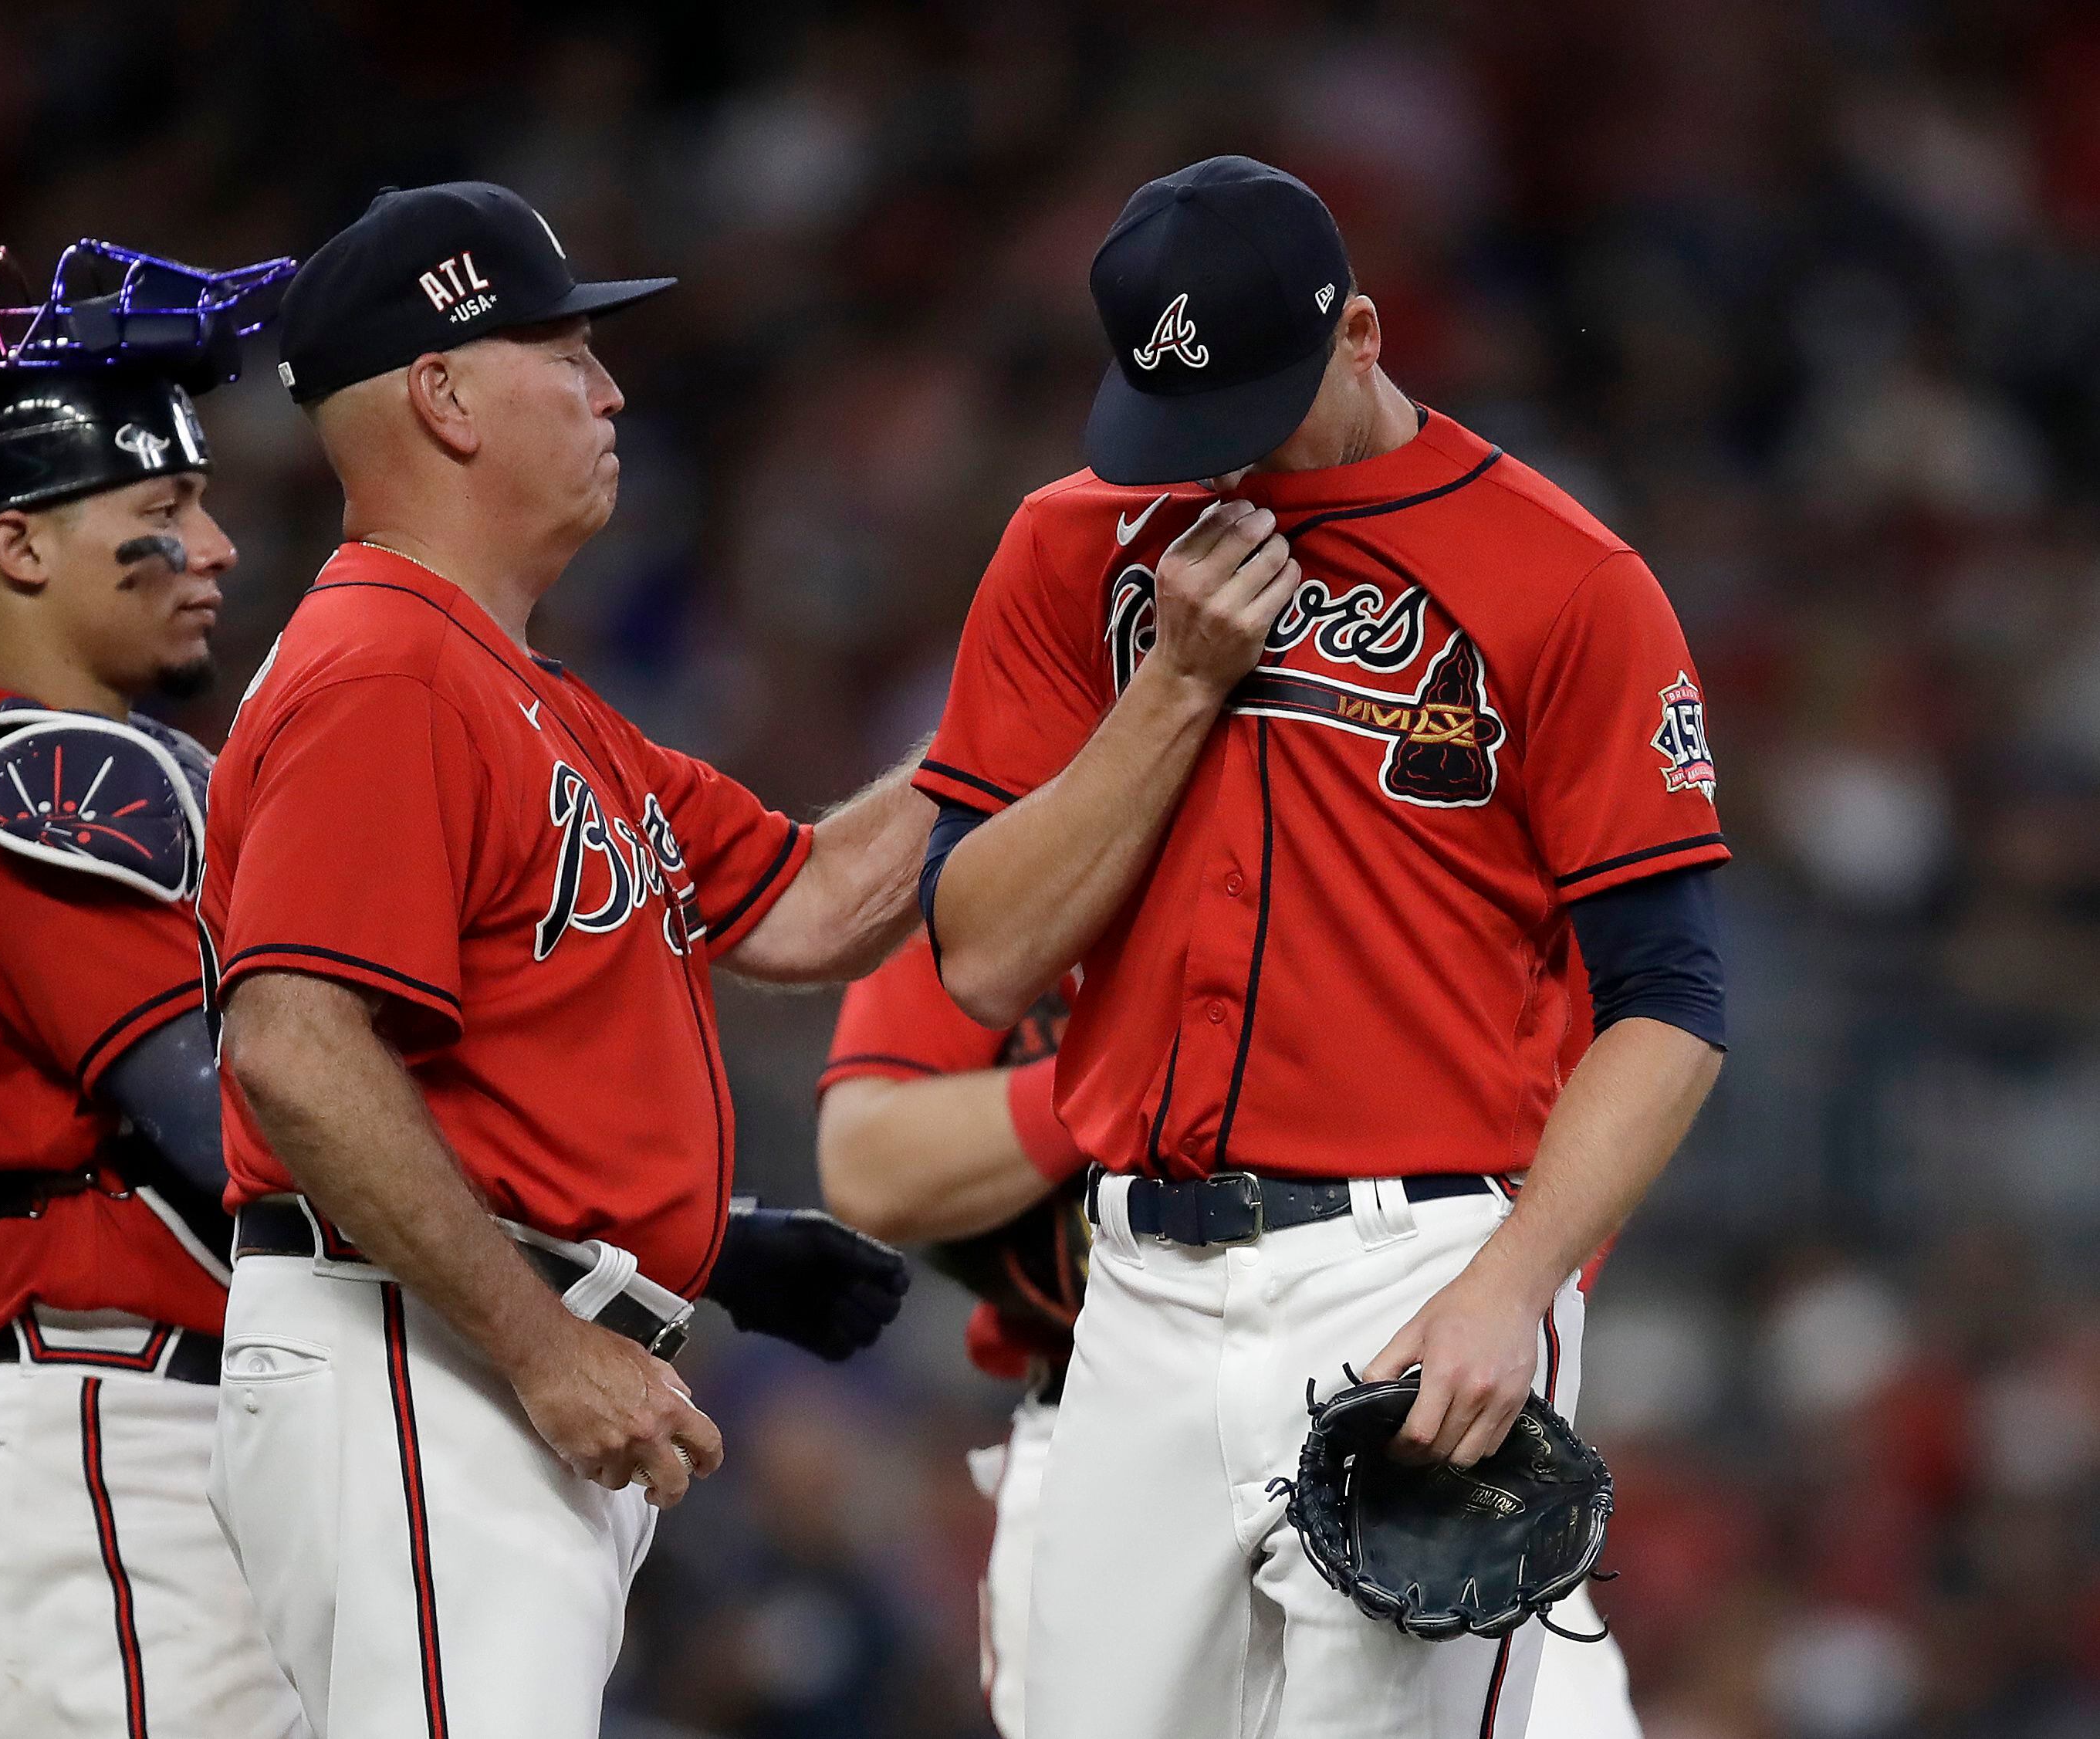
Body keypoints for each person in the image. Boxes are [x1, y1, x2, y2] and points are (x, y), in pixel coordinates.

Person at [917, 155, 1726, 1738]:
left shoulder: (1563, 581)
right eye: (1176, 421)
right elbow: (978, 957)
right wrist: (1166, 690)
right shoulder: (1069, 545)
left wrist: (1513, 1281)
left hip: (1417, 1268)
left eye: (1247, 409)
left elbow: (1671, 1000)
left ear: (1356, 330)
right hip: (1137, 1278)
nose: (1208, 464)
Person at [200, 181, 925, 1739]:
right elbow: (292, 1048)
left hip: (473, 1361)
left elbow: (809, 903)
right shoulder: (381, 667)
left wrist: (1072, 686)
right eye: (564, 350)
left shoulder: (521, 691)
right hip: (426, 1355)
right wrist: (539, 1346)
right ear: (444, 397)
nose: (610, 388)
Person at [0, 241, 311, 1739]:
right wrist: (609, 1250)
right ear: (19, 548)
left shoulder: (47, 770)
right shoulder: (54, 770)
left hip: (151, 1442)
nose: (213, 548)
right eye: (161, 510)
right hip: (116, 1434)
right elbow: (228, 1122)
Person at [817, 937, 1647, 1739]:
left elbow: (1616, 1063)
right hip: (1099, 1428)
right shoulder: (1020, 825)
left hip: (1405, 1411)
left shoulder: (1422, 841)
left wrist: (1504, 1309)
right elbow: (866, 1162)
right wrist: (1128, 1073)